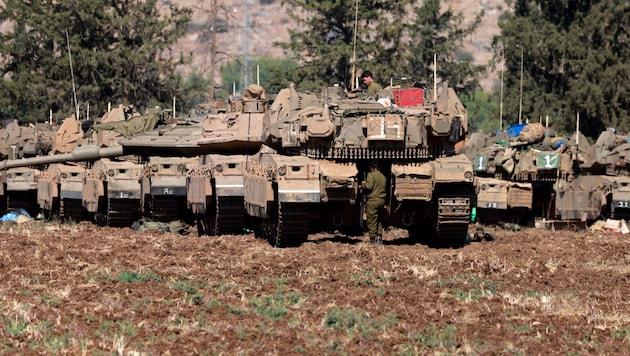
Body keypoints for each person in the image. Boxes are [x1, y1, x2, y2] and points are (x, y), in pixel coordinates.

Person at [362, 161, 387, 245]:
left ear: (373, 167)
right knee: (379, 219)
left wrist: (362, 185)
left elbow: (369, 186)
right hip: (381, 200)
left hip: (373, 200)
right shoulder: (383, 177)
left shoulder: (371, 175)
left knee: (371, 219)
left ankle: (372, 240)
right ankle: (380, 238)